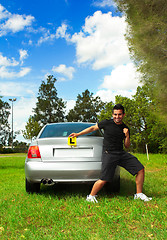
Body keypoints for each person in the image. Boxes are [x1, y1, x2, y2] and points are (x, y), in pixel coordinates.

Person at [69, 104, 152, 203]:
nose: (117, 117)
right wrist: (78, 134)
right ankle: (91, 196)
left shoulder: (125, 128)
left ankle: (138, 194)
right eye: (115, 114)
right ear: (112, 114)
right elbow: (92, 128)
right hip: (109, 154)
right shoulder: (106, 123)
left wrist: (127, 135)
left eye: (119, 114)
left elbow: (127, 145)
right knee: (105, 178)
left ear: (123, 115)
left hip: (121, 153)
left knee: (140, 169)